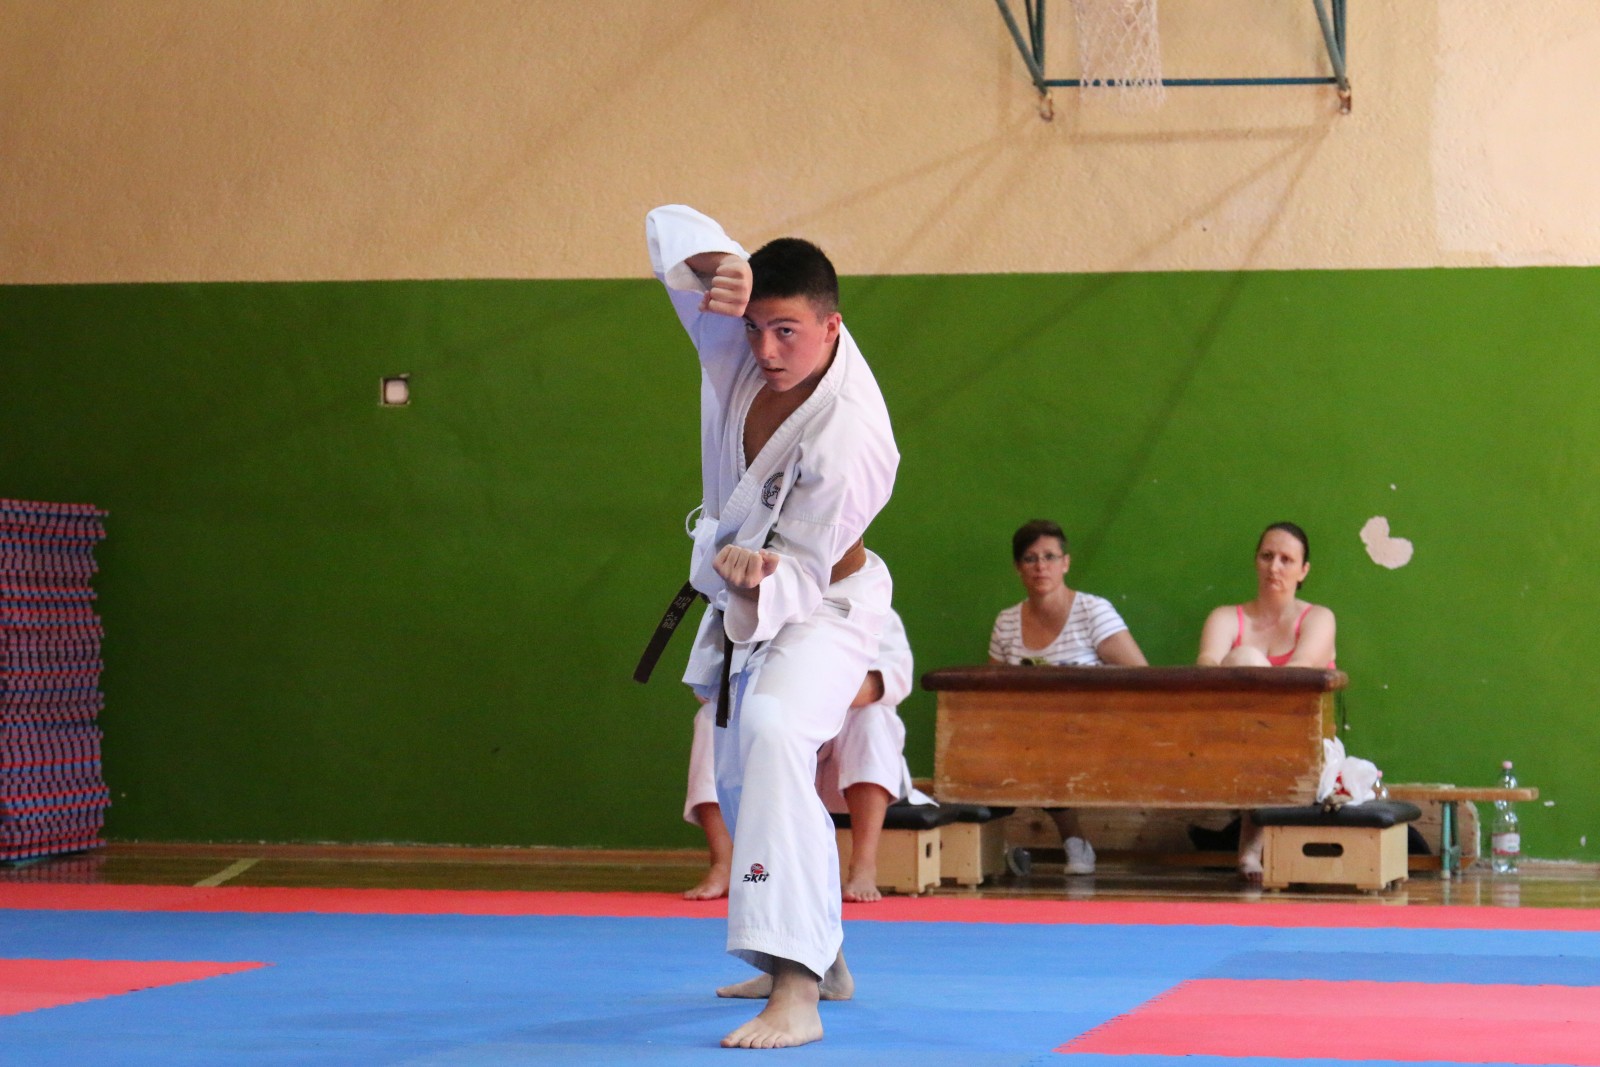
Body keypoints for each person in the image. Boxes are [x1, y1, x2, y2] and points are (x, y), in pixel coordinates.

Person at [646, 204, 898, 1049]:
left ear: (832, 326)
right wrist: (722, 261)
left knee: (777, 728)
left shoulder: (852, 434)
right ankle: (820, 954)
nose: (766, 349)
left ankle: (797, 989)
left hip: (827, 604)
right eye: (756, 327)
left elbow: (808, 568)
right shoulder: (745, 350)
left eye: (787, 330)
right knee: (739, 768)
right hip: (749, 594)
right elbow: (666, 232)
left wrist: (761, 575)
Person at [682, 608, 924, 905]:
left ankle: (863, 865)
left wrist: (806, 696)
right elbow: (710, 685)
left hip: (840, 723)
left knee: (875, 719)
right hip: (771, 720)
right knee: (713, 718)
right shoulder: (749, 604)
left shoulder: (869, 602)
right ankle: (724, 863)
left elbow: (884, 682)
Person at [988, 518, 1147, 875]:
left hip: (1096, 729)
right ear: (1018, 568)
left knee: (1045, 745)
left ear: (1066, 563)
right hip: (1028, 732)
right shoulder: (1006, 622)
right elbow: (991, 694)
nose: (1040, 567)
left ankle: (1074, 841)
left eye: (1050, 557)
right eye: (1030, 558)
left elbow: (1141, 675)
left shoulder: (1093, 612)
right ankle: (994, 845)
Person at [1196, 520, 1338, 880]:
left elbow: (1298, 673)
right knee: (1243, 658)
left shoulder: (1318, 618)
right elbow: (1207, 669)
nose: (1274, 567)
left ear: (1303, 570)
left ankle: (1251, 846)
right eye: (1267, 556)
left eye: (1286, 560)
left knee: (1249, 665)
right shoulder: (1226, 617)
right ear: (1256, 561)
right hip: (1233, 737)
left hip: (1300, 740)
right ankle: (1251, 844)